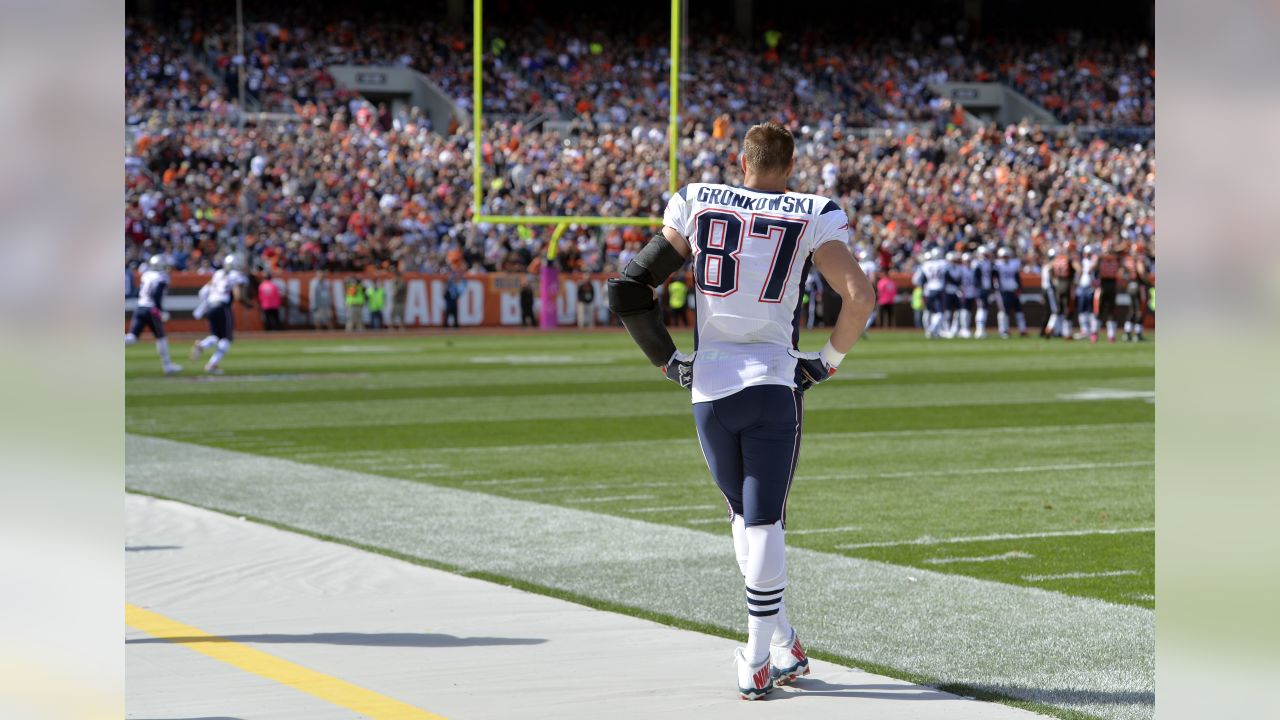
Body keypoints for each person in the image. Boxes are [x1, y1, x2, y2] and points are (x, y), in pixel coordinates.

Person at [607, 122, 875, 701]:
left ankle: (780, 643)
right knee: (764, 521)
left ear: (741, 159)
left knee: (741, 517)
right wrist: (826, 361)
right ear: (792, 164)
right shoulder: (812, 211)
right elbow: (860, 296)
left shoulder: (698, 201)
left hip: (710, 388)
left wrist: (668, 362)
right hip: (773, 383)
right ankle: (757, 658)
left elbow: (629, 288)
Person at [190, 253, 247, 374]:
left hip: (211, 306)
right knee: (227, 338)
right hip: (222, 306)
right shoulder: (235, 275)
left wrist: (204, 306)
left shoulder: (218, 273)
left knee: (217, 336)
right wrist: (246, 302)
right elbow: (238, 295)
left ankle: (202, 345)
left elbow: (203, 292)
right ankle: (212, 364)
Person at [125, 255, 182, 375]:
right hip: (151, 309)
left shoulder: (146, 275)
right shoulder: (162, 277)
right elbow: (156, 295)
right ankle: (167, 366)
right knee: (161, 337)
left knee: (132, 337)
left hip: (140, 307)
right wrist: (161, 311)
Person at [993, 246, 1026, 339]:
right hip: (1004, 291)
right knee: (1004, 312)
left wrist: (1019, 288)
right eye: (1003, 256)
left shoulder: (1013, 264)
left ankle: (1022, 330)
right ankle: (1003, 330)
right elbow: (994, 277)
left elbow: (1017, 277)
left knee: (1019, 311)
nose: (1005, 258)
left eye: (1007, 256)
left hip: (1014, 290)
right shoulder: (997, 265)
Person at [1094, 239, 1121, 343]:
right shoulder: (1100, 258)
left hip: (1112, 284)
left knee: (1111, 311)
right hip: (1102, 285)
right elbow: (1092, 269)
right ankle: (1095, 333)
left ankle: (1111, 335)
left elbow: (1122, 269)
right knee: (1098, 310)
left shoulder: (1117, 258)